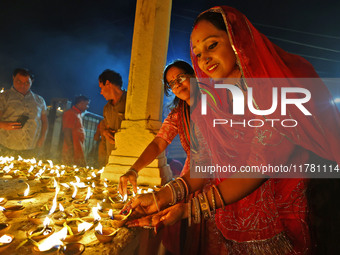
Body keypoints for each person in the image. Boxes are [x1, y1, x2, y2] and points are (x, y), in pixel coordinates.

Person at [123, 6, 340, 255]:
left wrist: (187, 209)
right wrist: (160, 197)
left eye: (212, 45)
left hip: (287, 222)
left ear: (236, 40)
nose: (203, 58)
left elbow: (258, 167)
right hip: (233, 224)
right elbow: (202, 164)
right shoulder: (211, 104)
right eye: (198, 53)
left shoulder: (272, 91)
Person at [0, 68, 48, 158]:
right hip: (8, 146)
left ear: (32, 81)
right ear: (13, 78)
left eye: (27, 83)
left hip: (32, 147)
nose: (22, 85)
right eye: (18, 82)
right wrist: (4, 125)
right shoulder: (4, 97)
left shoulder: (39, 100)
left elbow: (44, 121)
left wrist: (42, 138)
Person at [98, 69, 127, 164]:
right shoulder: (106, 108)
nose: (101, 92)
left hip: (127, 158)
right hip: (111, 159)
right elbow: (105, 128)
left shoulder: (129, 101)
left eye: (101, 87)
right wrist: (105, 132)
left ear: (108, 83)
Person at [62, 95, 90, 166]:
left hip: (77, 149)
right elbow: (67, 130)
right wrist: (71, 148)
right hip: (73, 150)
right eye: (87, 104)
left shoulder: (77, 114)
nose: (87, 107)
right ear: (81, 103)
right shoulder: (71, 113)